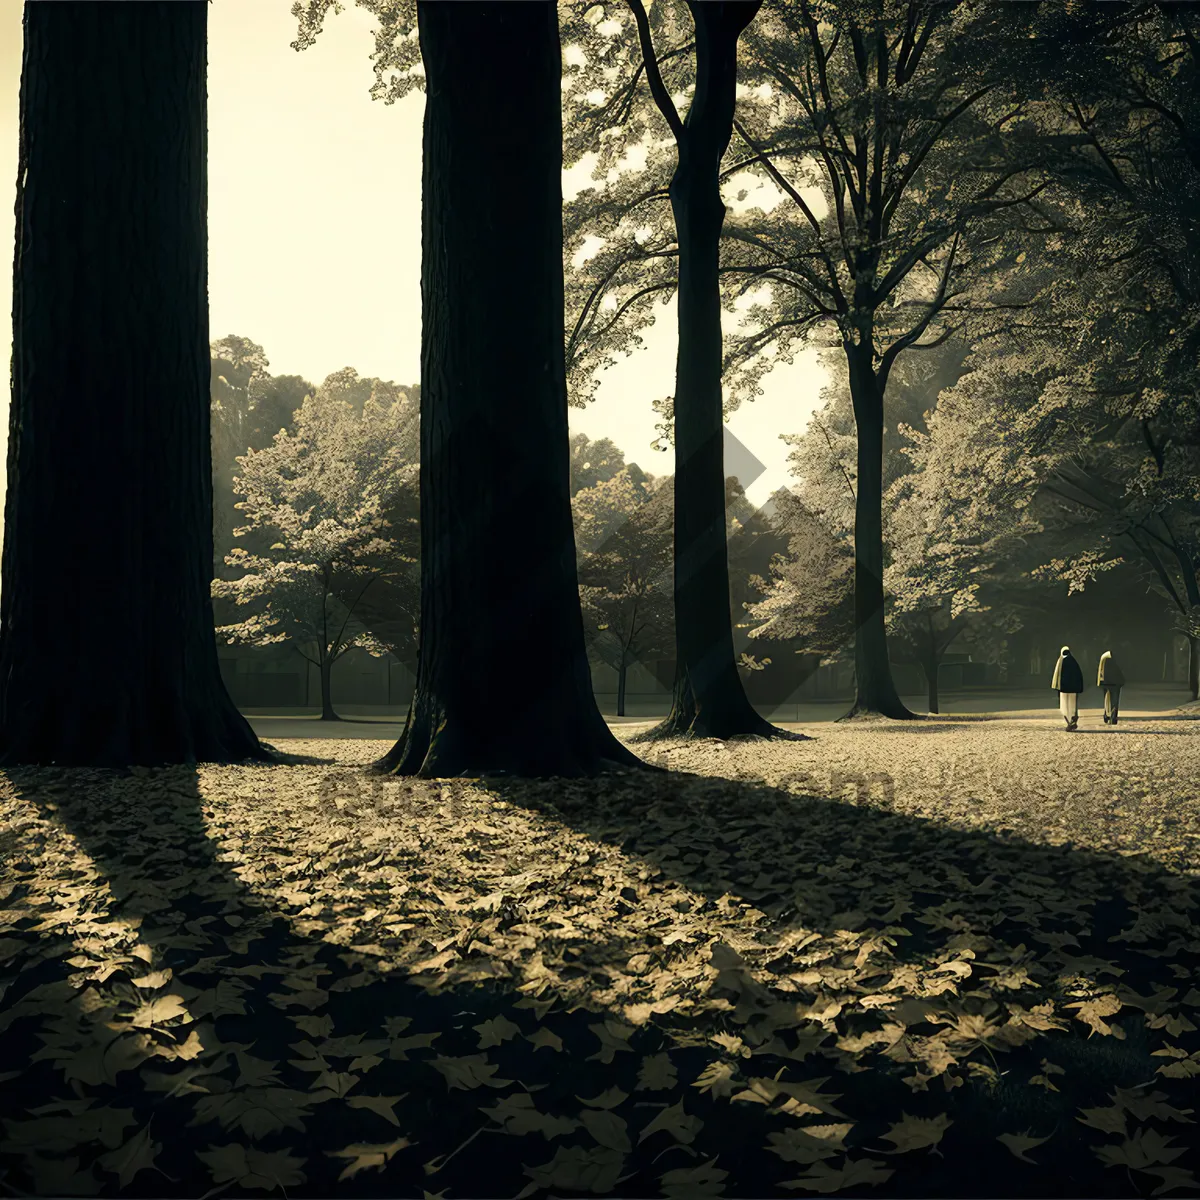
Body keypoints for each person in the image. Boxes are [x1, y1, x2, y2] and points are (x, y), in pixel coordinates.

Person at [1051, 645, 1084, 730]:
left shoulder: (1060, 661)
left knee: (1065, 707)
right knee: (1072, 706)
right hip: (1073, 689)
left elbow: (1057, 676)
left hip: (1063, 689)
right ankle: (1072, 721)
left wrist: (1057, 687)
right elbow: (1078, 675)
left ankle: (1069, 723)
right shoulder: (1073, 661)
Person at [1097, 649, 1125, 725]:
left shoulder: (1104, 661)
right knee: (1114, 702)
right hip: (1115, 685)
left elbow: (1101, 673)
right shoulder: (1115, 664)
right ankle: (1113, 717)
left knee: (1107, 701)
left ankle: (1107, 715)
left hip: (1106, 684)